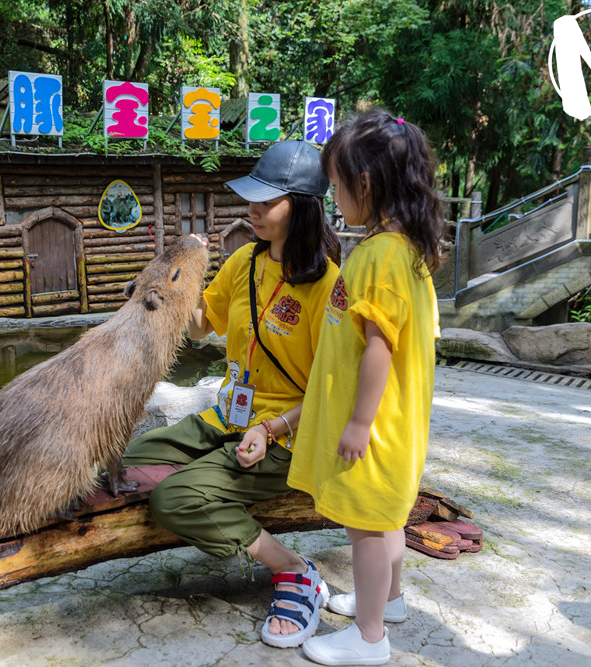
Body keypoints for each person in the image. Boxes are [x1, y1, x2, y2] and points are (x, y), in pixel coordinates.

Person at [122, 139, 342, 648]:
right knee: (131, 460)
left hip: (286, 436)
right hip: (228, 417)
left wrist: (271, 428)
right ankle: (218, 493)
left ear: (303, 207)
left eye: (268, 202)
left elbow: (334, 393)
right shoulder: (245, 260)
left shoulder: (330, 287)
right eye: (252, 199)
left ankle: (294, 571)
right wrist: (168, 288)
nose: (253, 210)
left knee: (171, 497)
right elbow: (202, 325)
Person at [288, 110, 445, 665]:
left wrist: (357, 422)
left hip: (375, 429)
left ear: (366, 184)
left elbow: (380, 346)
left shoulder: (378, 256)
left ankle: (370, 638)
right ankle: (390, 599)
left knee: (366, 530)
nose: (334, 198)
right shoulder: (409, 253)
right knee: (386, 519)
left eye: (335, 185)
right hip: (398, 425)